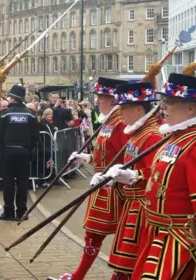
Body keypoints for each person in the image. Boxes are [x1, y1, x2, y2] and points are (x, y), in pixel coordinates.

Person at [130, 73, 196, 280]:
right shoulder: (177, 135)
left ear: (192, 107)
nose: (163, 107)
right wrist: (133, 176)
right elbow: (163, 178)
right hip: (157, 233)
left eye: (170, 102)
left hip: (181, 239)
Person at [51, 77, 127, 280]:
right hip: (100, 185)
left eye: (100, 98)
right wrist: (85, 158)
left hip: (115, 188)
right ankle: (78, 276)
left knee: (122, 238)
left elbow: (125, 157)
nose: (97, 101)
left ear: (112, 99)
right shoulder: (108, 121)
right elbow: (104, 153)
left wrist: (111, 174)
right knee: (92, 235)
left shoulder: (119, 123)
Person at [96, 82, 162, 280]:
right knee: (125, 261)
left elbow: (156, 174)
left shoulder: (152, 135)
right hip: (132, 205)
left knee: (135, 261)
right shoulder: (137, 132)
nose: (120, 113)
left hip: (144, 208)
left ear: (140, 109)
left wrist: (134, 176)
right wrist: (112, 176)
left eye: (124, 108)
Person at [0, 84, 39, 221]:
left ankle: (8, 211)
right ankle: (21, 212)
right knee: (22, 183)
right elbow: (35, 137)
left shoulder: (4, 114)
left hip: (8, 152)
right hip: (24, 152)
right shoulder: (31, 115)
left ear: (13, 98)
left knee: (8, 183)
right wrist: (29, 150)